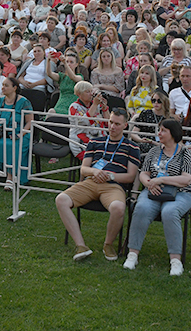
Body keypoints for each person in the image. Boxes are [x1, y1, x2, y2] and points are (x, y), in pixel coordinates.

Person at [56, 108, 140, 261]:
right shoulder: (96, 141)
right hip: (91, 182)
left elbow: (131, 176)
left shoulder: (132, 147)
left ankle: (108, 244)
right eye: (111, 122)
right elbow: (84, 168)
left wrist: (110, 175)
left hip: (113, 186)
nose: (112, 127)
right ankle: (80, 245)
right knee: (61, 200)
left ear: (125, 125)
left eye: (117, 124)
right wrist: (94, 172)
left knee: (118, 207)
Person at [123, 119, 191, 276]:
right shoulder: (154, 152)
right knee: (141, 208)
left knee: (169, 212)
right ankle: (132, 254)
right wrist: (149, 183)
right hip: (153, 191)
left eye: (163, 131)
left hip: (180, 192)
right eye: (159, 130)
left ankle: (176, 261)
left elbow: (187, 179)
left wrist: (162, 180)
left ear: (173, 133)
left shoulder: (186, 153)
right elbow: (143, 173)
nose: (159, 133)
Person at [0, 77, 33, 190]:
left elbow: (30, 122)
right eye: (2, 85)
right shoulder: (0, 101)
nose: (3, 87)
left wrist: (20, 134)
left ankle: (11, 176)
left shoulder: (24, 102)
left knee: (12, 145)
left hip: (20, 133)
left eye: (6, 85)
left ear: (14, 88)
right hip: (2, 132)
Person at [67, 81, 109, 159]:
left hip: (101, 142)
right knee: (100, 161)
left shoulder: (95, 105)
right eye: (87, 92)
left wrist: (104, 108)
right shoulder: (74, 107)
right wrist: (95, 104)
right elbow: (85, 121)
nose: (91, 94)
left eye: (91, 91)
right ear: (79, 94)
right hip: (81, 145)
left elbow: (108, 124)